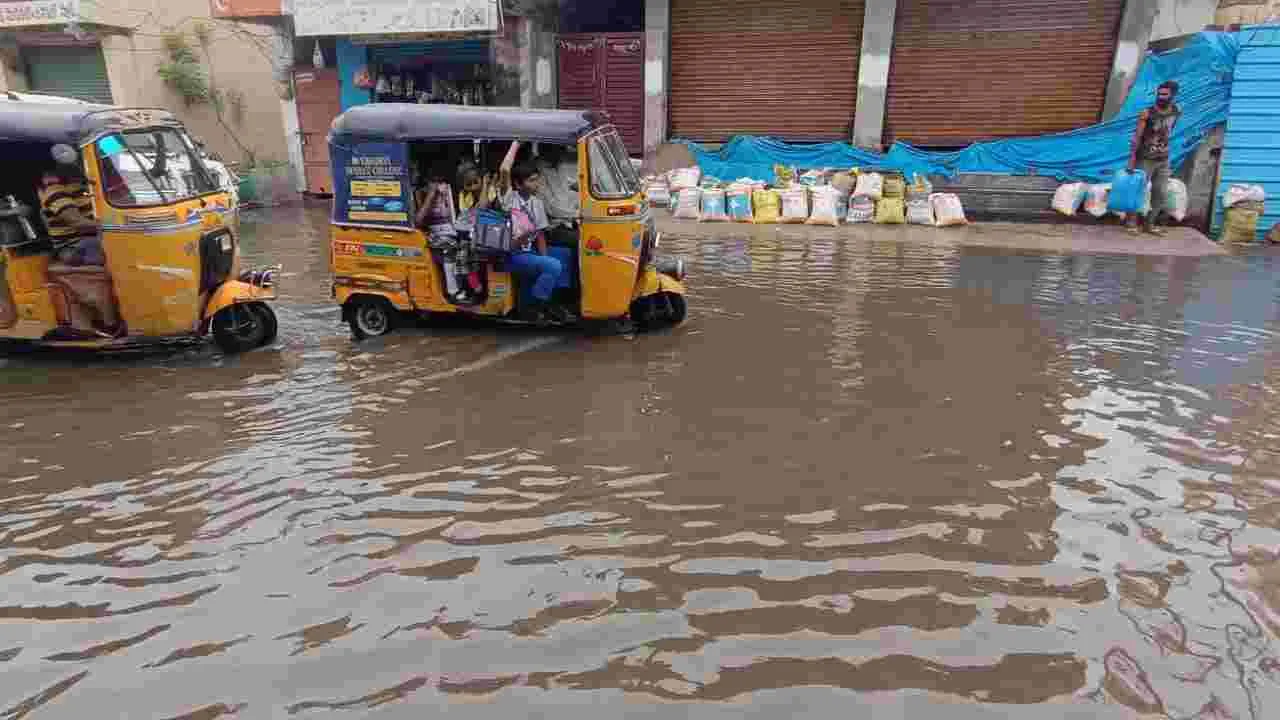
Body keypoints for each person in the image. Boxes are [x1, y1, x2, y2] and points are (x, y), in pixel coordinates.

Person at [499, 143, 568, 324]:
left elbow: (540, 235)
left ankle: (554, 301)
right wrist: (515, 144)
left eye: (537, 179)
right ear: (517, 184)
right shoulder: (509, 199)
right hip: (512, 253)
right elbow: (505, 170)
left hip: (530, 252)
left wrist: (543, 258)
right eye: (531, 180)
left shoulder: (536, 203)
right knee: (553, 266)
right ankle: (535, 307)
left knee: (564, 256)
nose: (536, 183)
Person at [1126, 80, 1181, 236]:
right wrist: (1131, 159)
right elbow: (1136, 137)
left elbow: (1169, 131)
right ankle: (1131, 222)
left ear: (1173, 95)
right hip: (1145, 158)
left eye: (1165, 94)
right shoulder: (1147, 113)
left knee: (1160, 192)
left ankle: (1149, 224)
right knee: (1138, 190)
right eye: (1159, 94)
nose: (1160, 97)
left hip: (1163, 159)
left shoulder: (1176, 111)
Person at [37, 165, 103, 266]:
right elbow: (80, 224)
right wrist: (115, 225)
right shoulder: (55, 192)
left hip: (92, 239)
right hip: (74, 247)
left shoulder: (79, 185)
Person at [535, 144, 579, 245]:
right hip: (553, 228)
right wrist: (577, 214)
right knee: (586, 240)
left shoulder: (557, 167)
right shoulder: (538, 172)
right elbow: (552, 208)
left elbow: (566, 191)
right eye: (560, 151)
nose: (562, 155)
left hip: (569, 222)